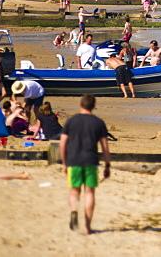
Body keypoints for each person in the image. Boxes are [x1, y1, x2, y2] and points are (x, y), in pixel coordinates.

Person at [60, 94, 111, 235]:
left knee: (74, 191)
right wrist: (107, 165)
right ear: (93, 106)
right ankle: (87, 228)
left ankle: (74, 210)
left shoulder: (71, 121)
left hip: (74, 161)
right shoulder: (98, 122)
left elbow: (62, 144)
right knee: (89, 193)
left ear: (80, 105)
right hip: (91, 161)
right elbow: (105, 146)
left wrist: (65, 162)